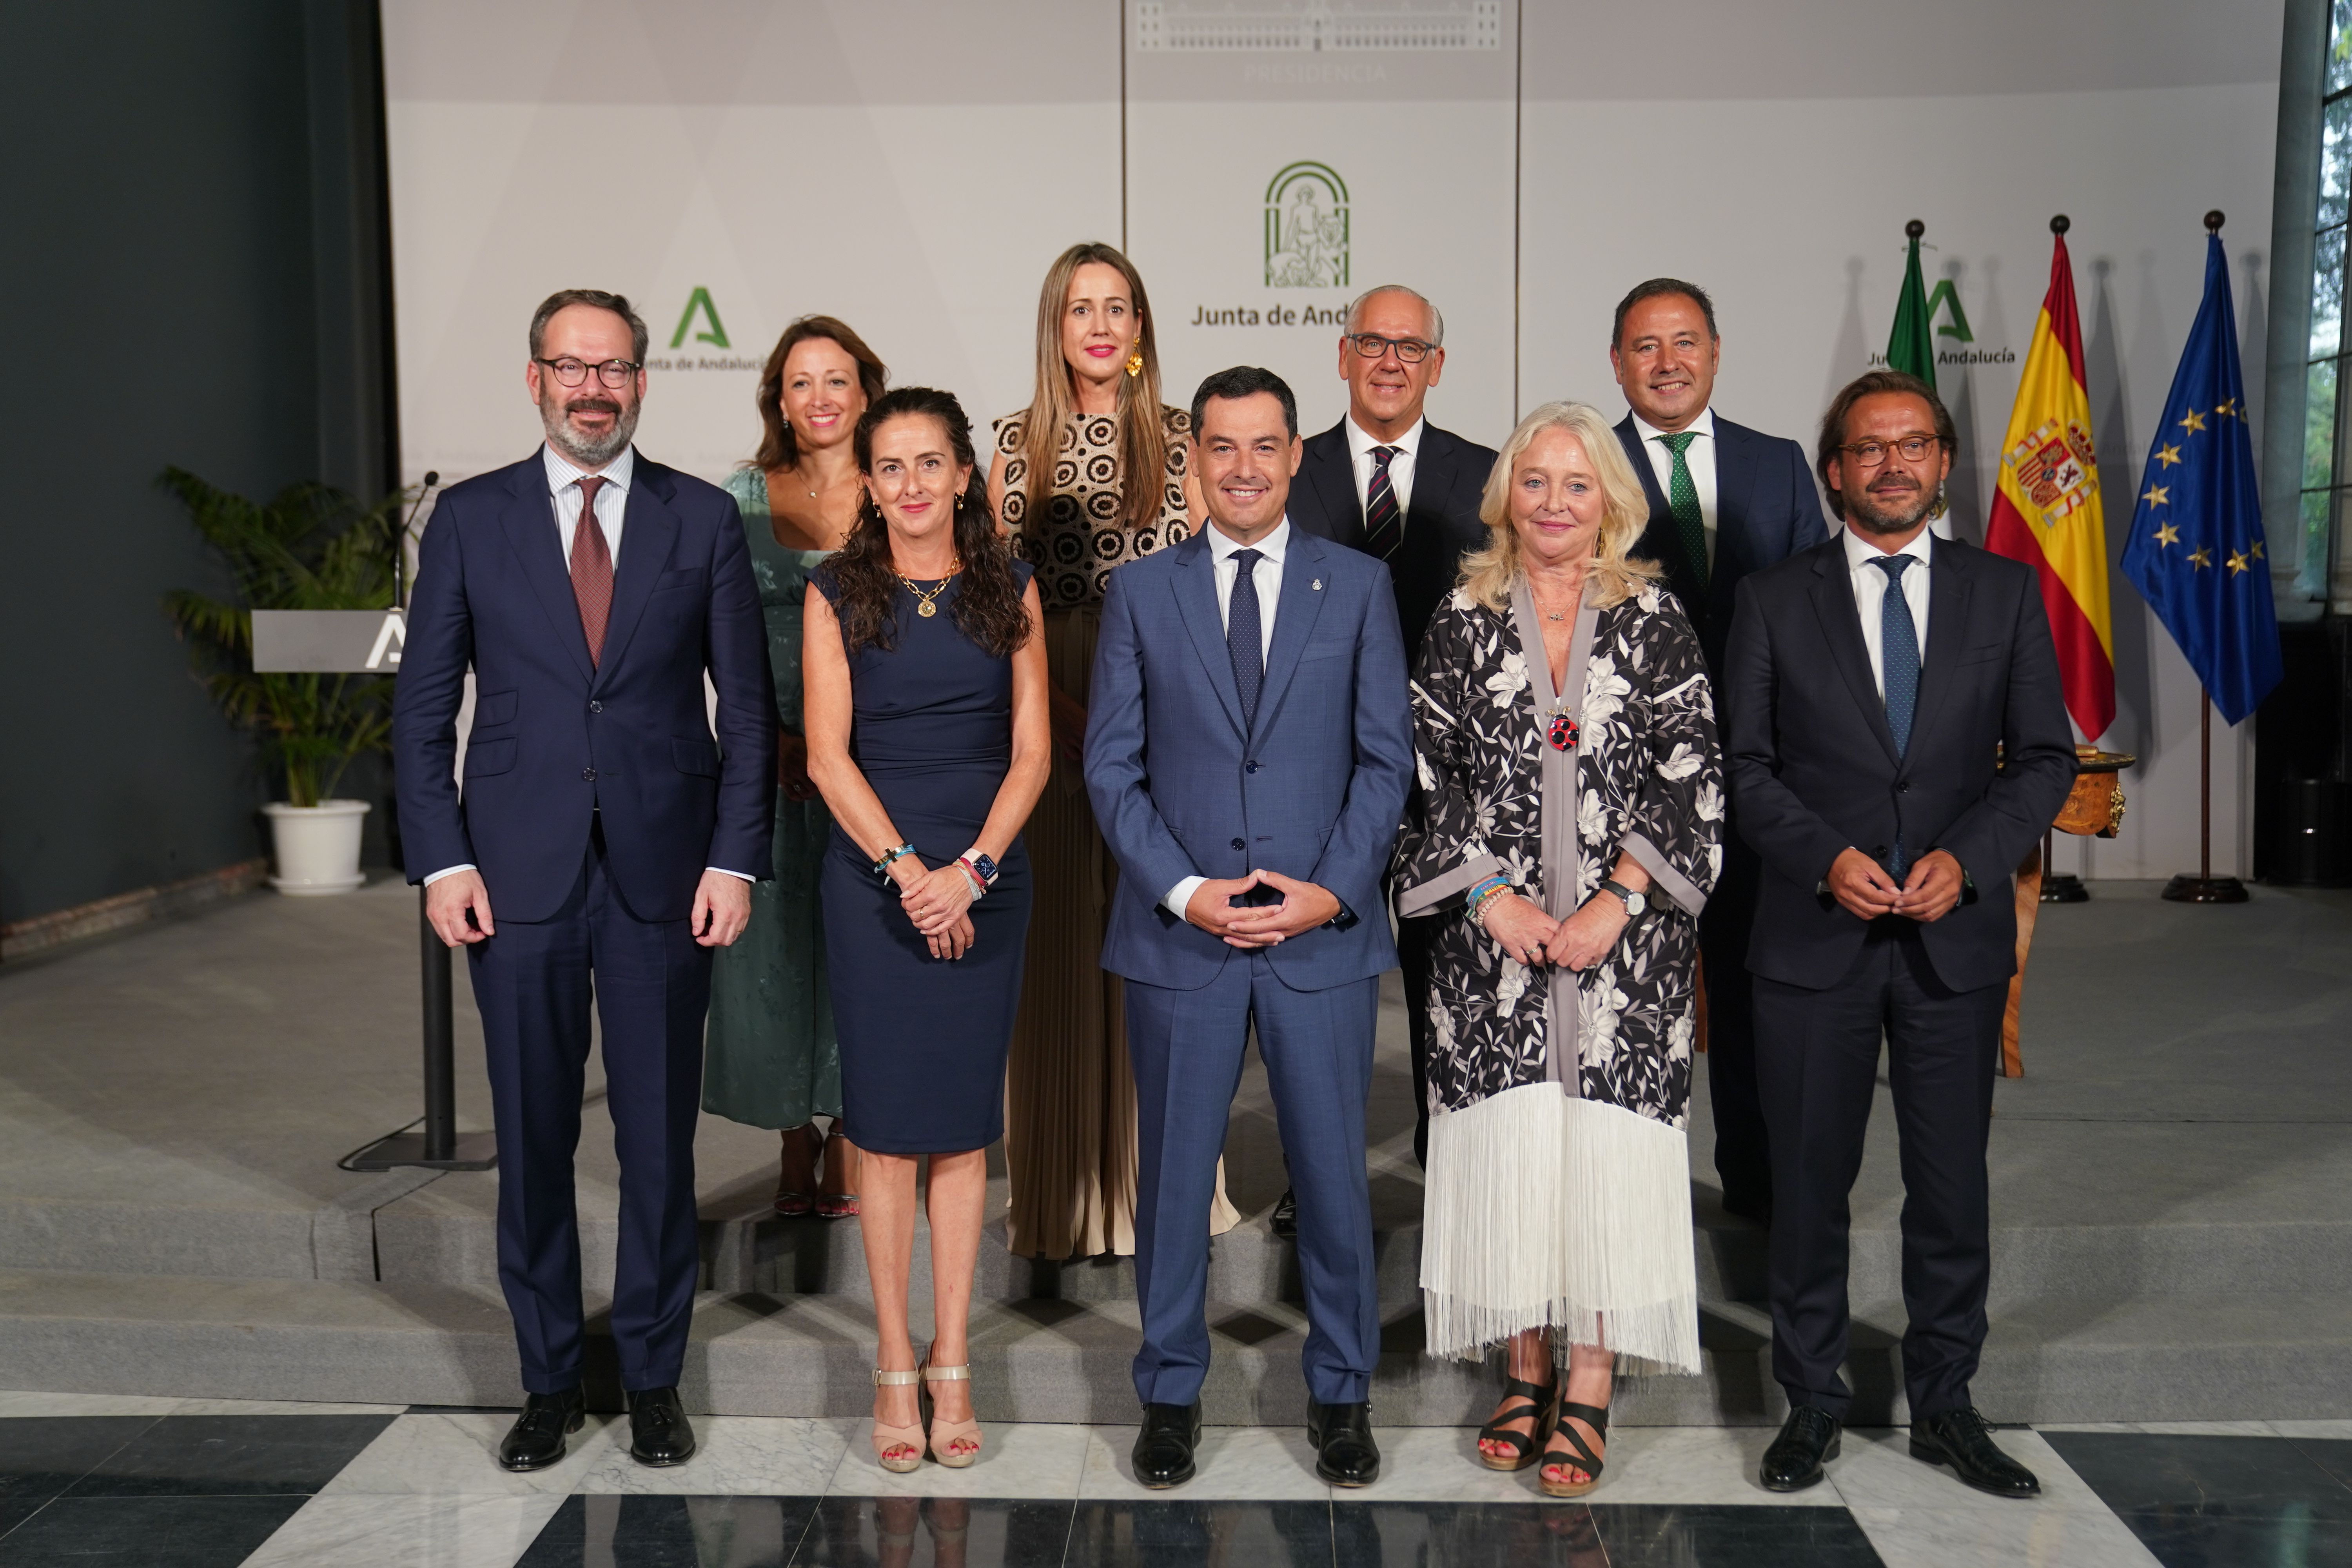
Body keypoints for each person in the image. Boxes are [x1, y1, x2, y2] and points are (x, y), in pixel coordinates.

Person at [392, 289, 774, 1472]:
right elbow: (421, 714)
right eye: (572, 367)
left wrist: (734, 858)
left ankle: (654, 1379)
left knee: (660, 1146)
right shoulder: (469, 519)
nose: (593, 388)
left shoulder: (701, 518)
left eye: (614, 369)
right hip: (514, 878)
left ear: (643, 384)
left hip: (669, 875)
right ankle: (549, 1380)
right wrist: (443, 857)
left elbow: (750, 716)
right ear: (536, 380)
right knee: (535, 1139)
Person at [1724, 370, 2073, 1498]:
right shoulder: (1774, 599)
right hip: (1814, 936)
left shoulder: (2006, 595)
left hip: (1950, 940)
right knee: (1810, 1182)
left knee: (1949, 1187)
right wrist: (1827, 856)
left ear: (1943, 461)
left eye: (1912, 446)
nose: (1892, 467)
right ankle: (1812, 1401)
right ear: (1834, 472)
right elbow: (1744, 768)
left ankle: (1947, 1406)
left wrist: (1965, 861)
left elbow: (2048, 762)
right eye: (1868, 451)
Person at [1085, 366, 1413, 1490]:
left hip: (1321, 936)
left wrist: (1331, 889)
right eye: (1221, 448)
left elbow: (1386, 761)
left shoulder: (1359, 587)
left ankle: (1341, 1396)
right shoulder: (1142, 592)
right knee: (1176, 1181)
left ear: (1295, 455)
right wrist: (1184, 892)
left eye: (1266, 446)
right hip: (1182, 939)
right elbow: (1111, 768)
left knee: (1330, 1177)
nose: (1244, 468)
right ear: (1194, 461)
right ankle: (1170, 1393)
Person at [1395, 401, 1722, 1498]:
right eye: (1534, 482)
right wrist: (1491, 898)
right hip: (1492, 960)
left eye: (1576, 485)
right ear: (1505, 497)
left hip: (1627, 957)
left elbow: (1694, 775)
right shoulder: (1459, 616)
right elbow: (1424, 778)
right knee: (1516, 1153)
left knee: (1602, 1160)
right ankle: (1521, 1373)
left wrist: (1617, 903)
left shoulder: (1657, 618)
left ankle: (1588, 1382)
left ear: (1611, 503)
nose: (1553, 504)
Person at [804, 386, 1050, 1473]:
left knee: (960, 1124)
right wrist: (911, 876)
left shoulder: (1014, 590)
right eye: (889, 466)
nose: (911, 485)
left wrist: (975, 873)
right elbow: (825, 757)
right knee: (888, 1125)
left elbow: (1034, 753)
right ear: (868, 483)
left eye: (930, 463)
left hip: (988, 872)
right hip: (877, 882)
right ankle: (893, 1364)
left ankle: (954, 1359)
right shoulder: (836, 594)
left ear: (964, 476)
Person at [986, 242, 1238, 1260]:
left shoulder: (1187, 444)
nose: (1099, 325)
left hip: (1166, 722)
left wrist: (1135, 717)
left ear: (1140, 331)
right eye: (1080, 309)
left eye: (1118, 308)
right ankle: (1056, 1198)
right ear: (1056, 328)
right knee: (1054, 958)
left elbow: (1212, 599)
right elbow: (995, 602)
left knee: (1157, 953)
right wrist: (1061, 704)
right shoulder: (1013, 444)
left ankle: (1159, 1193)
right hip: (1046, 712)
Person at [1608, 278, 1830, 1226]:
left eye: (1684, 342)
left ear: (1716, 350)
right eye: (1646, 346)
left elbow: (1820, 615)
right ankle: (1634, 1202)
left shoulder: (1778, 466)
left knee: (1750, 993)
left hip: (1750, 776)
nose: (1667, 362)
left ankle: (1756, 1187)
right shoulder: (1581, 461)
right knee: (1632, 1004)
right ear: (1617, 362)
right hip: (1623, 789)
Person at [1287, 283, 1499, 1197]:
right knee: (1317, 992)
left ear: (1437, 367)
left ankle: (1449, 1175)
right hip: (1318, 775)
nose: (1389, 361)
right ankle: (1315, 1176)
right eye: (1372, 342)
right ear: (1342, 355)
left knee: (1444, 986)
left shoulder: (1490, 475)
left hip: (1446, 781)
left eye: (1410, 348)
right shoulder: (1290, 471)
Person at [705, 315, 887, 1221]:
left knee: (860, 945)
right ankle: (791, 1134)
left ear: (866, 392)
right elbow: (715, 635)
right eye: (800, 381)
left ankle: (854, 1127)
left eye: (836, 379)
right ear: (779, 397)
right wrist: (765, 741)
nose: (819, 398)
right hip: (766, 762)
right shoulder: (737, 495)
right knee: (770, 952)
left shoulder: (898, 488)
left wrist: (850, 749)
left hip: (875, 765)